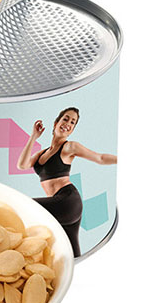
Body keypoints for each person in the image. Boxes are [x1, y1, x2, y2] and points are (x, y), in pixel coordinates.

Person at [17, 107, 117, 257]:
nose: (68, 124)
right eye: (65, 119)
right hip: (59, 205)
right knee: (72, 254)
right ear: (56, 123)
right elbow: (22, 165)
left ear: (72, 130)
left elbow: (100, 158)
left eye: (72, 122)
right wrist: (33, 137)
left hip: (67, 201)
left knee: (23, 205)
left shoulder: (69, 147)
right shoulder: (42, 153)